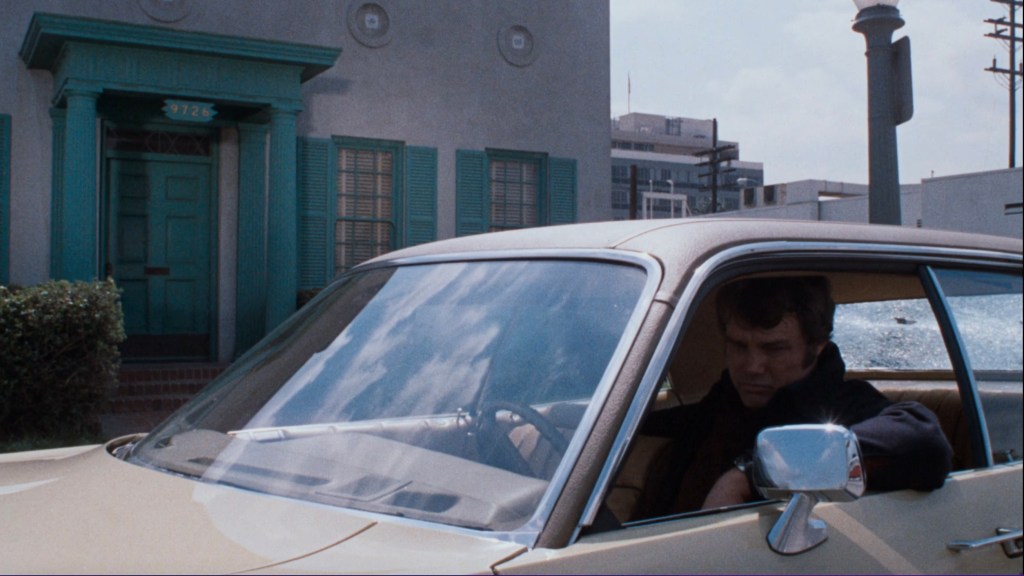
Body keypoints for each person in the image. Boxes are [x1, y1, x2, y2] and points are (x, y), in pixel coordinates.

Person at [638, 275, 953, 517]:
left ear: (817, 347)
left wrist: (753, 475)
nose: (752, 366)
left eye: (773, 348)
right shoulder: (723, 403)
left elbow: (925, 441)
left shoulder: (843, 406)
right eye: (738, 346)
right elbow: (659, 423)